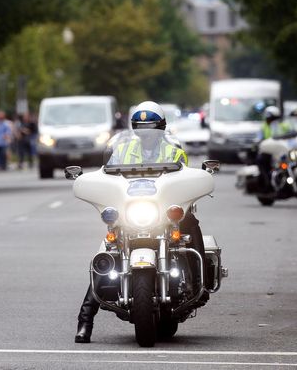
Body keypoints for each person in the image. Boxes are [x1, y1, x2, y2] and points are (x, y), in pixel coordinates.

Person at [74, 101, 210, 344]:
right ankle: (85, 321)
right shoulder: (123, 149)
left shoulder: (174, 150)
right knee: (108, 252)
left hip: (163, 209)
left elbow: (183, 177)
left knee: (190, 222)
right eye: (141, 128)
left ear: (161, 128)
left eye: (151, 128)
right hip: (132, 208)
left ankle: (199, 281)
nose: (146, 134)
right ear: (134, 128)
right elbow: (108, 172)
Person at [255, 106, 289, 193]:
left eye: (273, 118)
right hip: (268, 152)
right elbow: (258, 139)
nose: (270, 120)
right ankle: (267, 182)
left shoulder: (283, 126)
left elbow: (291, 135)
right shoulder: (263, 127)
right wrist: (258, 142)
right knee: (261, 161)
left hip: (282, 151)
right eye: (269, 118)